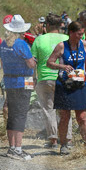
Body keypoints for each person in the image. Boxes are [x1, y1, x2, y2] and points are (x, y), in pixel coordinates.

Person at [47, 20, 86, 153]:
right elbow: (49, 62)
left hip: (80, 84)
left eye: (82, 34)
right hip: (64, 84)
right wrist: (62, 66)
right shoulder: (62, 46)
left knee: (82, 116)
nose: (81, 37)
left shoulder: (84, 45)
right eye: (78, 34)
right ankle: (64, 144)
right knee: (65, 116)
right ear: (71, 33)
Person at [0, 14, 37, 160]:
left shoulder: (3, 44)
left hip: (9, 81)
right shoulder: (21, 44)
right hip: (23, 82)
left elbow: (3, 63)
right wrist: (33, 61)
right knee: (21, 115)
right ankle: (18, 149)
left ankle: (12, 147)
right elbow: (30, 64)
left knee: (12, 114)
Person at [30, 12, 68, 147]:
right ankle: (67, 138)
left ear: (48, 25)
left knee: (48, 109)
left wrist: (32, 78)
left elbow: (33, 61)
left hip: (44, 78)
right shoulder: (67, 38)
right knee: (65, 110)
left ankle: (53, 139)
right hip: (63, 78)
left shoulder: (39, 40)